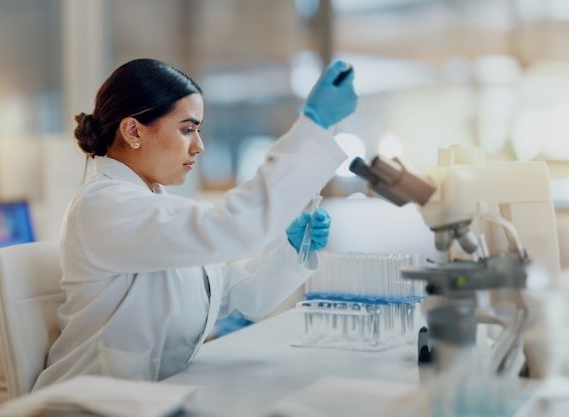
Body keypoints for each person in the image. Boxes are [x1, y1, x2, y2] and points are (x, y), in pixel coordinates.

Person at [33, 58, 357, 389]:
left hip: (146, 401)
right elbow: (232, 227)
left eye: (197, 131)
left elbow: (237, 295)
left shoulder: (153, 207)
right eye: (187, 130)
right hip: (83, 412)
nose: (198, 146)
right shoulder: (103, 206)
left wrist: (289, 250)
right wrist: (312, 127)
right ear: (132, 131)